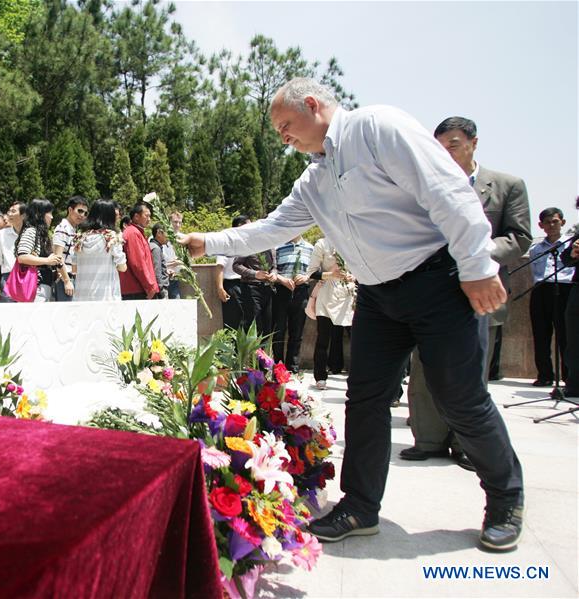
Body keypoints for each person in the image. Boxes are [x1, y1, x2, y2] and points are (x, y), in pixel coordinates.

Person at [180, 78, 524, 551]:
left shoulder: (378, 128)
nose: (283, 137)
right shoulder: (313, 179)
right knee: (364, 400)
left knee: (459, 398)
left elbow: (448, 192)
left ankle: (506, 498)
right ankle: (360, 506)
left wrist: (477, 267)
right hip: (379, 296)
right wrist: (210, 241)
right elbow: (274, 228)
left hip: (437, 281)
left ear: (314, 105)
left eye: (285, 125)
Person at [402, 116, 532, 468]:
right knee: (423, 367)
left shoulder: (507, 185)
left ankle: (466, 444)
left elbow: (519, 238)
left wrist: (474, 252)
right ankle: (428, 439)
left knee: (471, 373)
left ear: (474, 143)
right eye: (439, 147)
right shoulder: (423, 187)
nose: (446, 153)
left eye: (454, 145)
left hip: (479, 292)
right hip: (430, 291)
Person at [527, 207, 574, 386]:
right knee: (541, 334)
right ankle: (545, 375)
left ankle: (568, 376)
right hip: (541, 290)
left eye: (555, 221)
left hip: (565, 289)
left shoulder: (571, 244)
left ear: (562, 222)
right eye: (547, 222)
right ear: (541, 225)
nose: (551, 225)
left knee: (566, 335)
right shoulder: (536, 249)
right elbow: (534, 272)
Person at [306, 237, 355, 389]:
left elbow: (363, 268)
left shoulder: (353, 239)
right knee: (323, 339)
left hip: (349, 295)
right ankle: (320, 376)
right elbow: (311, 272)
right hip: (327, 294)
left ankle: (358, 377)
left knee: (357, 339)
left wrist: (353, 276)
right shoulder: (322, 243)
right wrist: (330, 274)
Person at [272, 235, 313, 373]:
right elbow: (272, 270)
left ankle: (293, 367)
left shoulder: (310, 248)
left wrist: (306, 277)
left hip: (301, 292)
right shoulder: (278, 247)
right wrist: (282, 279)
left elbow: (314, 270)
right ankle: (277, 367)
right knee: (279, 331)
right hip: (281, 291)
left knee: (297, 332)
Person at [73, 199, 127, 301]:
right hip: (106, 297)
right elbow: (122, 267)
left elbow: (74, 269)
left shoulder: (80, 238)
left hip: (82, 296)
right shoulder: (111, 238)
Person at [14, 198, 62, 302]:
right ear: (40, 214)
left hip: (41, 286)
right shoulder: (31, 231)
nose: (52, 217)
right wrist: (48, 261)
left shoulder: (40, 234)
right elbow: (22, 257)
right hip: (35, 287)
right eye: (49, 213)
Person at [559, 197, 579, 397]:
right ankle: (574, 384)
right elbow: (564, 259)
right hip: (577, 291)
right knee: (573, 340)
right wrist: (573, 254)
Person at [215, 216, 250, 330]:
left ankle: (246, 349)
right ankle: (230, 348)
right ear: (240, 227)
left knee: (247, 321)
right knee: (232, 322)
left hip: (248, 285)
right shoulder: (226, 244)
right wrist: (220, 288)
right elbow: (219, 267)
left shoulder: (249, 244)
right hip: (232, 285)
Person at [119, 202, 158, 300]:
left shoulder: (136, 232)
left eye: (150, 216)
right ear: (136, 216)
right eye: (146, 216)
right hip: (136, 289)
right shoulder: (133, 233)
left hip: (137, 288)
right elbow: (138, 264)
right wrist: (150, 287)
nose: (149, 219)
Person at [52, 195, 88, 301]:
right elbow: (58, 258)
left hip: (72, 277)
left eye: (85, 213)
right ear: (70, 210)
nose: (82, 215)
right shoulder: (62, 228)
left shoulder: (73, 229)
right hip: (65, 278)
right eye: (80, 211)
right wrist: (67, 281)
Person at [233, 246, 274, 337]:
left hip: (268, 289)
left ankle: (263, 351)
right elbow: (236, 265)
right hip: (251, 288)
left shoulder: (271, 246)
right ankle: (252, 351)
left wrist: (274, 274)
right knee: (254, 325)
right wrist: (255, 274)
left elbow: (274, 267)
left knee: (267, 326)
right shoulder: (248, 244)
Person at [0, 202, 24, 302]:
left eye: (13, 211)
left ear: (23, 215)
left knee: (27, 314)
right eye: (9, 211)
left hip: (27, 277)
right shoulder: (1, 234)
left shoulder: (31, 232)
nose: (9, 214)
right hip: (7, 278)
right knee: (7, 314)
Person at [162, 211, 184, 299]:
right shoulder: (159, 236)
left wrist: (179, 262)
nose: (177, 225)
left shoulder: (183, 238)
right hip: (162, 278)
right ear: (169, 221)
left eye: (180, 222)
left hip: (176, 278)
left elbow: (189, 258)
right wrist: (172, 264)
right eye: (175, 222)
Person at [149, 223, 170, 299]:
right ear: (159, 233)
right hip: (160, 290)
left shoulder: (155, 247)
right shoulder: (156, 249)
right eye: (167, 232)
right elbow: (156, 270)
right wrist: (160, 290)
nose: (168, 236)